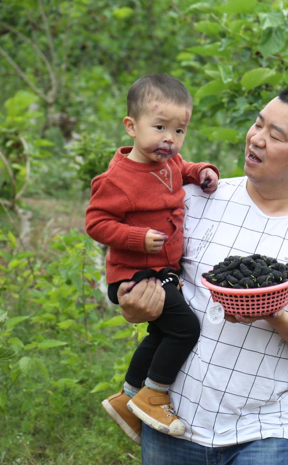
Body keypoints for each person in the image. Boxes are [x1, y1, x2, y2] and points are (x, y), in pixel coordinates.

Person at [114, 86, 288, 465]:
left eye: (275, 135)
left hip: (260, 431)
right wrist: (132, 306)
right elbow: (139, 274)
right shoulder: (195, 200)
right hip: (172, 419)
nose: (256, 139)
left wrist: (272, 313)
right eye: (257, 124)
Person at [85, 74, 220, 443]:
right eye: (159, 127)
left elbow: (184, 169)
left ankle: (127, 397)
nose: (169, 139)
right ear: (131, 126)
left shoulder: (169, 163)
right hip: (134, 271)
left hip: (160, 270)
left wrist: (202, 171)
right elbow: (95, 222)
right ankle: (154, 393)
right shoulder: (118, 179)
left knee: (161, 331)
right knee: (185, 328)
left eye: (179, 131)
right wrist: (137, 238)